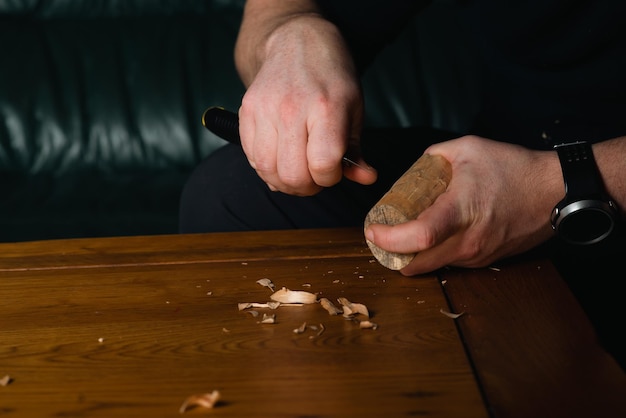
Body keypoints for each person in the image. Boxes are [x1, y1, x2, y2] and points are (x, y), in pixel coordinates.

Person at [180, 0, 626, 369]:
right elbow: (274, 14)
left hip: (605, 179)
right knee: (228, 194)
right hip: (505, 156)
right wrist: (290, 33)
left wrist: (563, 182)